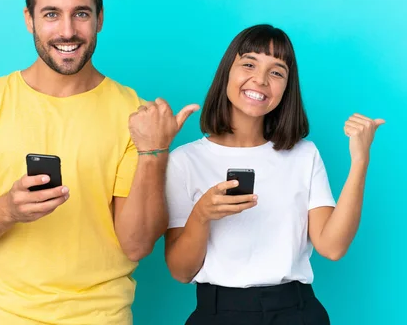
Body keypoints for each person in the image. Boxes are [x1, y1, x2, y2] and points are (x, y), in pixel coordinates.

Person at [0, 0, 198, 325]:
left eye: (81, 13)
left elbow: (137, 244)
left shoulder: (135, 115)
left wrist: (154, 152)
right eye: (51, 14)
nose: (67, 31)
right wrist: (9, 209)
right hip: (5, 317)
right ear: (29, 20)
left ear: (100, 19)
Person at [164, 24, 384, 324]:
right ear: (227, 71)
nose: (261, 80)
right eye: (249, 64)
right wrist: (201, 214)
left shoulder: (304, 155)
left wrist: (360, 160)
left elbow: (332, 247)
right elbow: (180, 271)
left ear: (286, 87)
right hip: (217, 312)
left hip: (296, 312)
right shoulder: (185, 160)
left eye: (277, 72)